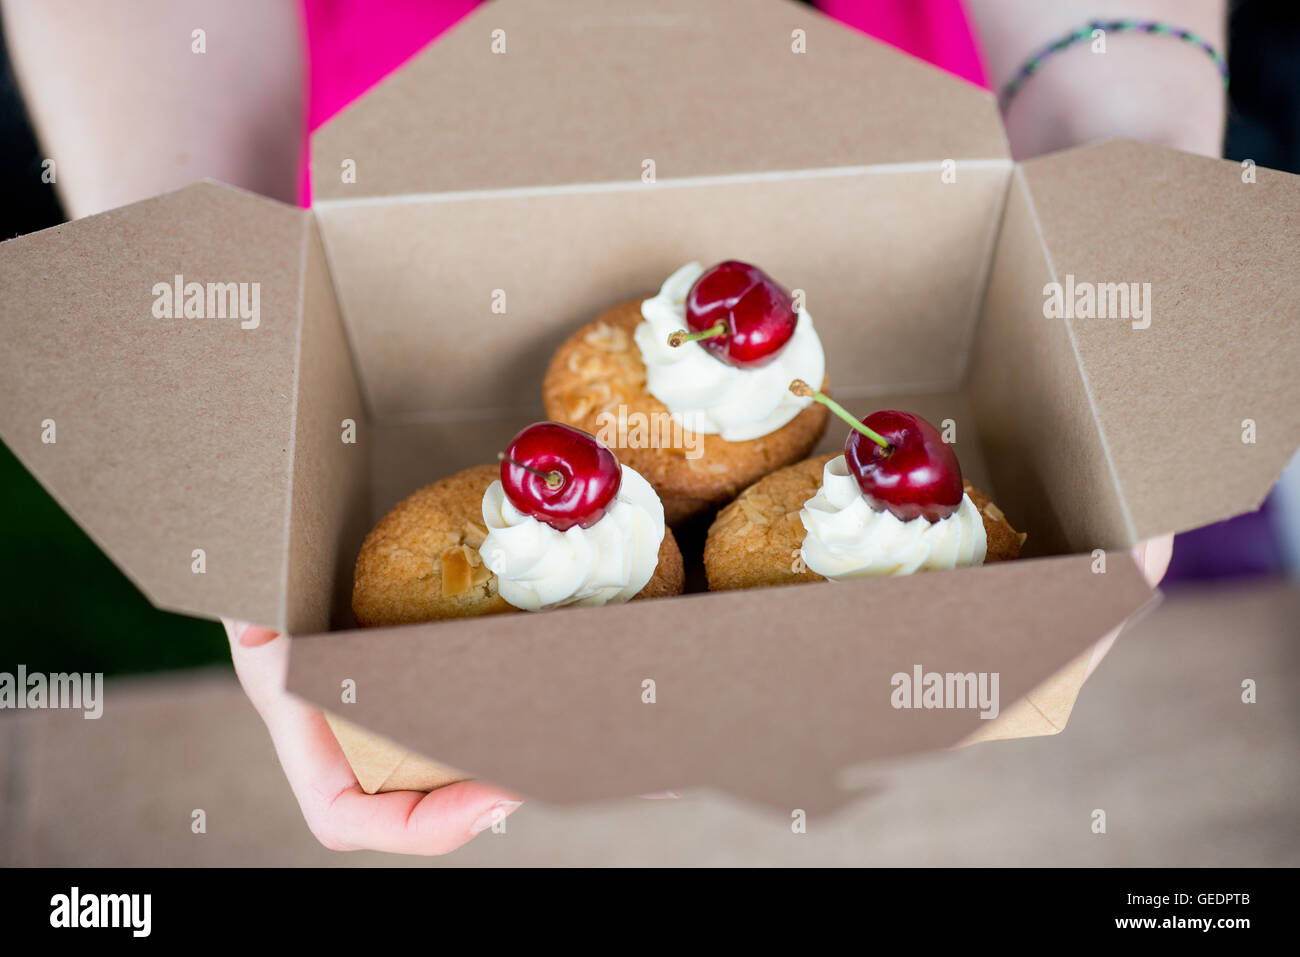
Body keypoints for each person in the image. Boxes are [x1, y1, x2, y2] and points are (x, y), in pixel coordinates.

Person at [3, 0, 1219, 855]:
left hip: (923, 122)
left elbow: (1100, 68)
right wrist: (216, 280)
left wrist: (1114, 159)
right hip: (375, 140)